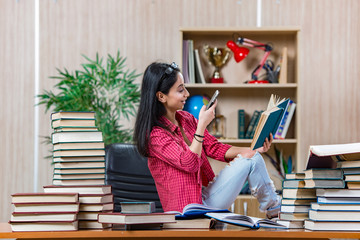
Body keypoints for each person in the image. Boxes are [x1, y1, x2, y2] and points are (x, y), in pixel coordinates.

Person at [134, 62, 281, 218]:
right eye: (180, 90)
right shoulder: (155, 135)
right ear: (161, 96)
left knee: (254, 157)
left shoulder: (186, 119)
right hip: (188, 210)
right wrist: (202, 125)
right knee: (252, 159)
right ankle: (276, 210)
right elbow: (189, 163)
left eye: (185, 87)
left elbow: (215, 148)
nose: (187, 94)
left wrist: (252, 150)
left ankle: (275, 210)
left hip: (204, 198)